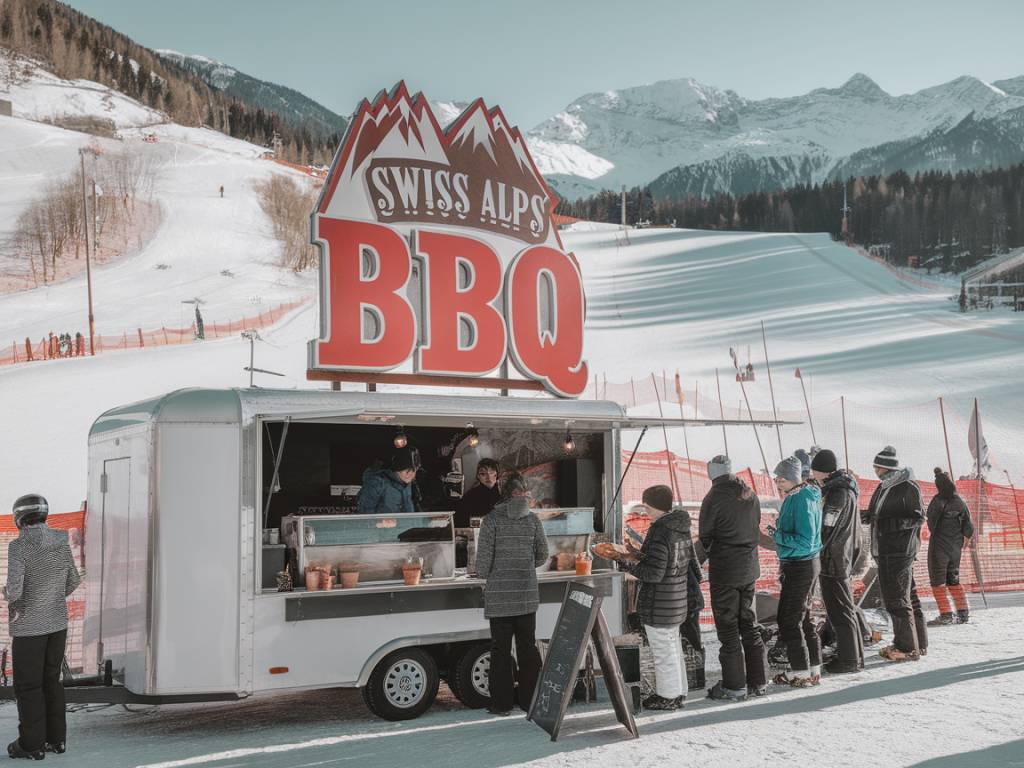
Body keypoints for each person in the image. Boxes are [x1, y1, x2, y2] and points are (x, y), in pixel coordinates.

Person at [4, 495, 80, 759]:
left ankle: (31, 744)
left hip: (28, 629)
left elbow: (14, 591)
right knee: (52, 682)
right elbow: (73, 580)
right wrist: (52, 598)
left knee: (28, 686)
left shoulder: (19, 547)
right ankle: (56, 740)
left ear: (20, 517)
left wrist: (7, 594)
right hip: (58, 625)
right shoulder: (61, 540)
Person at [474, 473, 548, 715]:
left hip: (500, 597)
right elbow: (543, 555)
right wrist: (525, 566)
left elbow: (483, 565)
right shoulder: (533, 520)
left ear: (504, 494)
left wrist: (491, 572)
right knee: (527, 648)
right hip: (526, 594)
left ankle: (501, 703)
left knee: (500, 650)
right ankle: (530, 701)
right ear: (524, 493)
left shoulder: (491, 520)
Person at [611, 485, 691, 710]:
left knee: (664, 652)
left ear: (656, 506)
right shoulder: (680, 527)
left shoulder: (661, 531)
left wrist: (626, 564)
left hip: (660, 602)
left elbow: (654, 573)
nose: (645, 511)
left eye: (647, 506)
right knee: (673, 647)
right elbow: (665, 562)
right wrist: (637, 554)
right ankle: (678, 692)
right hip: (675, 599)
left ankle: (667, 696)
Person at [698, 456, 769, 702]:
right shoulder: (751, 494)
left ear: (712, 473)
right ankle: (758, 681)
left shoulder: (713, 498)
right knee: (749, 624)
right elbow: (756, 527)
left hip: (725, 570)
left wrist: (689, 564)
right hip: (749, 568)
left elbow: (705, 537)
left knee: (728, 627)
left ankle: (734, 685)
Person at [863, 446, 928, 661]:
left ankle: (907, 647)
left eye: (876, 465)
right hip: (885, 550)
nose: (874, 469)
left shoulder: (908, 486)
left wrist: (890, 524)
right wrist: (866, 516)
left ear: (885, 467)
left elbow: (918, 517)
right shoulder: (883, 487)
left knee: (897, 600)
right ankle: (918, 642)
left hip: (898, 550)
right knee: (908, 597)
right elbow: (877, 513)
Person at [770, 455, 823, 687]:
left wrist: (777, 535)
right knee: (804, 618)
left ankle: (800, 670)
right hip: (804, 563)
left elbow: (805, 540)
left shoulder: (801, 499)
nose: (777, 482)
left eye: (781, 478)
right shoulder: (800, 496)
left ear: (792, 478)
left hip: (800, 564)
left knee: (789, 620)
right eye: (776, 478)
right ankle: (813, 667)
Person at [810, 449, 864, 674]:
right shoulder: (844, 489)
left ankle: (849, 659)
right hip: (840, 555)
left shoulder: (837, 493)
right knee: (844, 609)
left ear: (821, 470)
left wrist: (815, 545)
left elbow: (827, 526)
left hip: (834, 558)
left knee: (840, 611)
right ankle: (854, 655)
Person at [927, 468, 975, 626]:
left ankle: (946, 614)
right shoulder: (959, 501)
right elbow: (968, 524)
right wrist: (965, 538)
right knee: (953, 580)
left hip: (939, 547)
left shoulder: (936, 501)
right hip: (955, 547)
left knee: (938, 581)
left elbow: (931, 523)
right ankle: (963, 613)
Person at [356, 447, 418, 515]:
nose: (410, 474)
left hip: (401, 525)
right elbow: (363, 512)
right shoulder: (377, 482)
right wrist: (379, 523)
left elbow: (409, 512)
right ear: (398, 468)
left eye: (413, 470)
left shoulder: (407, 484)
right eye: (406, 470)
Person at [453, 458, 500, 528]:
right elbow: (459, 521)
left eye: (491, 472)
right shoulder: (470, 496)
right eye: (483, 474)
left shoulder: (504, 494)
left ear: (497, 475)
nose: (488, 477)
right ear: (478, 476)